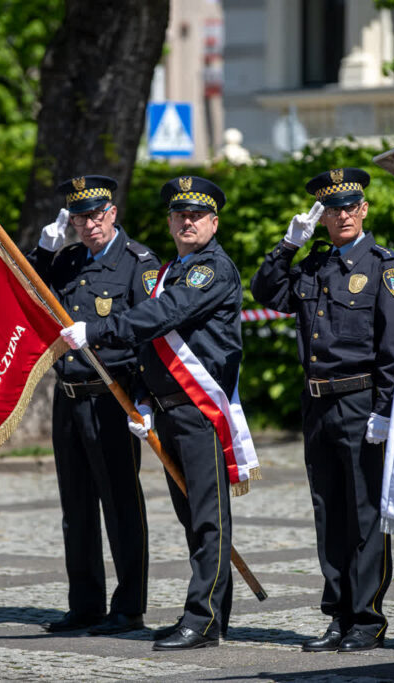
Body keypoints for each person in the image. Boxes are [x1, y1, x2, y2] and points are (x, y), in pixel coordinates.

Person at [60, 176, 252, 651]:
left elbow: (162, 316)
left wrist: (99, 331)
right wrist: (144, 398)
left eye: (197, 215)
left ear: (214, 222)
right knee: (192, 516)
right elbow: (154, 343)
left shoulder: (211, 269)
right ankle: (210, 615)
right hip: (169, 407)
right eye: (180, 215)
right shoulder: (177, 267)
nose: (188, 222)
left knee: (209, 518)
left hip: (198, 407)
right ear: (170, 221)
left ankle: (203, 620)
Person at [250, 168, 394, 653]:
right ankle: (337, 614)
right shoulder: (314, 266)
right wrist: (286, 245)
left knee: (363, 514)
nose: (340, 215)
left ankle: (366, 618)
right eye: (330, 209)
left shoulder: (385, 267)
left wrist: (384, 410)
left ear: (363, 210)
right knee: (328, 512)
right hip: (317, 402)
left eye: (348, 206)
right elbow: (265, 292)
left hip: (361, 403)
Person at [27, 175, 154, 635]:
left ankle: (129, 606)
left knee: (121, 506)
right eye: (79, 217)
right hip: (70, 397)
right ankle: (85, 604)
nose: (89, 225)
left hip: (113, 399)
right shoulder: (69, 259)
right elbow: (27, 294)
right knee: (76, 508)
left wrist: (144, 400)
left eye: (96, 215)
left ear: (112, 213)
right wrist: (43, 250)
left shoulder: (138, 264)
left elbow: (148, 333)